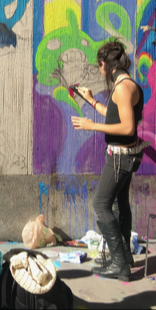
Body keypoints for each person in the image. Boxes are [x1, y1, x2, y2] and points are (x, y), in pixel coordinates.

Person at [72, 40, 146, 281]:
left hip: (120, 159)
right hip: (125, 157)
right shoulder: (125, 84)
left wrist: (91, 126)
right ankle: (124, 256)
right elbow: (116, 115)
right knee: (119, 205)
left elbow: (126, 127)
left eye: (99, 66)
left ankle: (119, 264)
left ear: (105, 64)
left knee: (101, 204)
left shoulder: (123, 88)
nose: (100, 70)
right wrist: (91, 101)